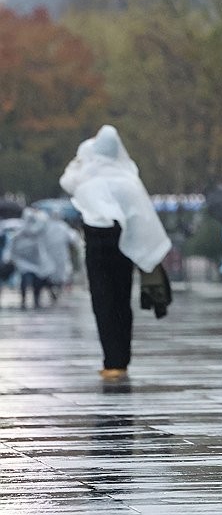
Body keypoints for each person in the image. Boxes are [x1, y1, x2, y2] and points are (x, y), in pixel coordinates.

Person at [59, 125, 173, 381]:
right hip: (124, 246)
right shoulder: (129, 178)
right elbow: (143, 219)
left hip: (97, 244)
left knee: (102, 300)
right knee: (122, 300)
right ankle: (121, 358)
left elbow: (66, 180)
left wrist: (81, 156)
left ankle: (112, 359)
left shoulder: (87, 176)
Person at [7, 207, 77, 308]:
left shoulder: (43, 230)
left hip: (38, 262)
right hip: (25, 263)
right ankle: (27, 300)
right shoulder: (22, 232)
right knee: (27, 280)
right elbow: (13, 246)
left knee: (37, 281)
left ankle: (36, 299)